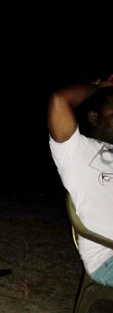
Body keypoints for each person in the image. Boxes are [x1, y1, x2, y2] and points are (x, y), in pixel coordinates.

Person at [48, 79, 113, 286]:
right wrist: (100, 87)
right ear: (94, 117)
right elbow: (59, 100)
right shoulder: (77, 151)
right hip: (107, 258)